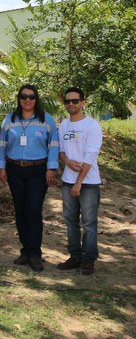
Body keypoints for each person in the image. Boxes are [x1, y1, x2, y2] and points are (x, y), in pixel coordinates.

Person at [0, 85, 59, 272]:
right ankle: (25, 250)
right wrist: (1, 167)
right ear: (19, 99)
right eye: (24, 96)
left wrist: (52, 167)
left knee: (33, 210)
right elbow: (2, 144)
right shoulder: (10, 119)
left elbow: (53, 145)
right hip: (15, 170)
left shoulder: (46, 120)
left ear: (36, 99)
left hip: (38, 171)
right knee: (20, 211)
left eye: (31, 97)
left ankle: (35, 253)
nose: (27, 100)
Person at [57, 87, 103, 276]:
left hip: (88, 183)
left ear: (83, 102)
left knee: (89, 222)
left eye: (75, 101)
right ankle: (75, 256)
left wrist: (79, 183)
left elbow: (91, 155)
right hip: (67, 181)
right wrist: (67, 162)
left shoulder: (91, 126)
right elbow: (60, 151)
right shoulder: (64, 126)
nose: (71, 104)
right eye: (67, 101)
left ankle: (88, 259)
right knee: (70, 221)